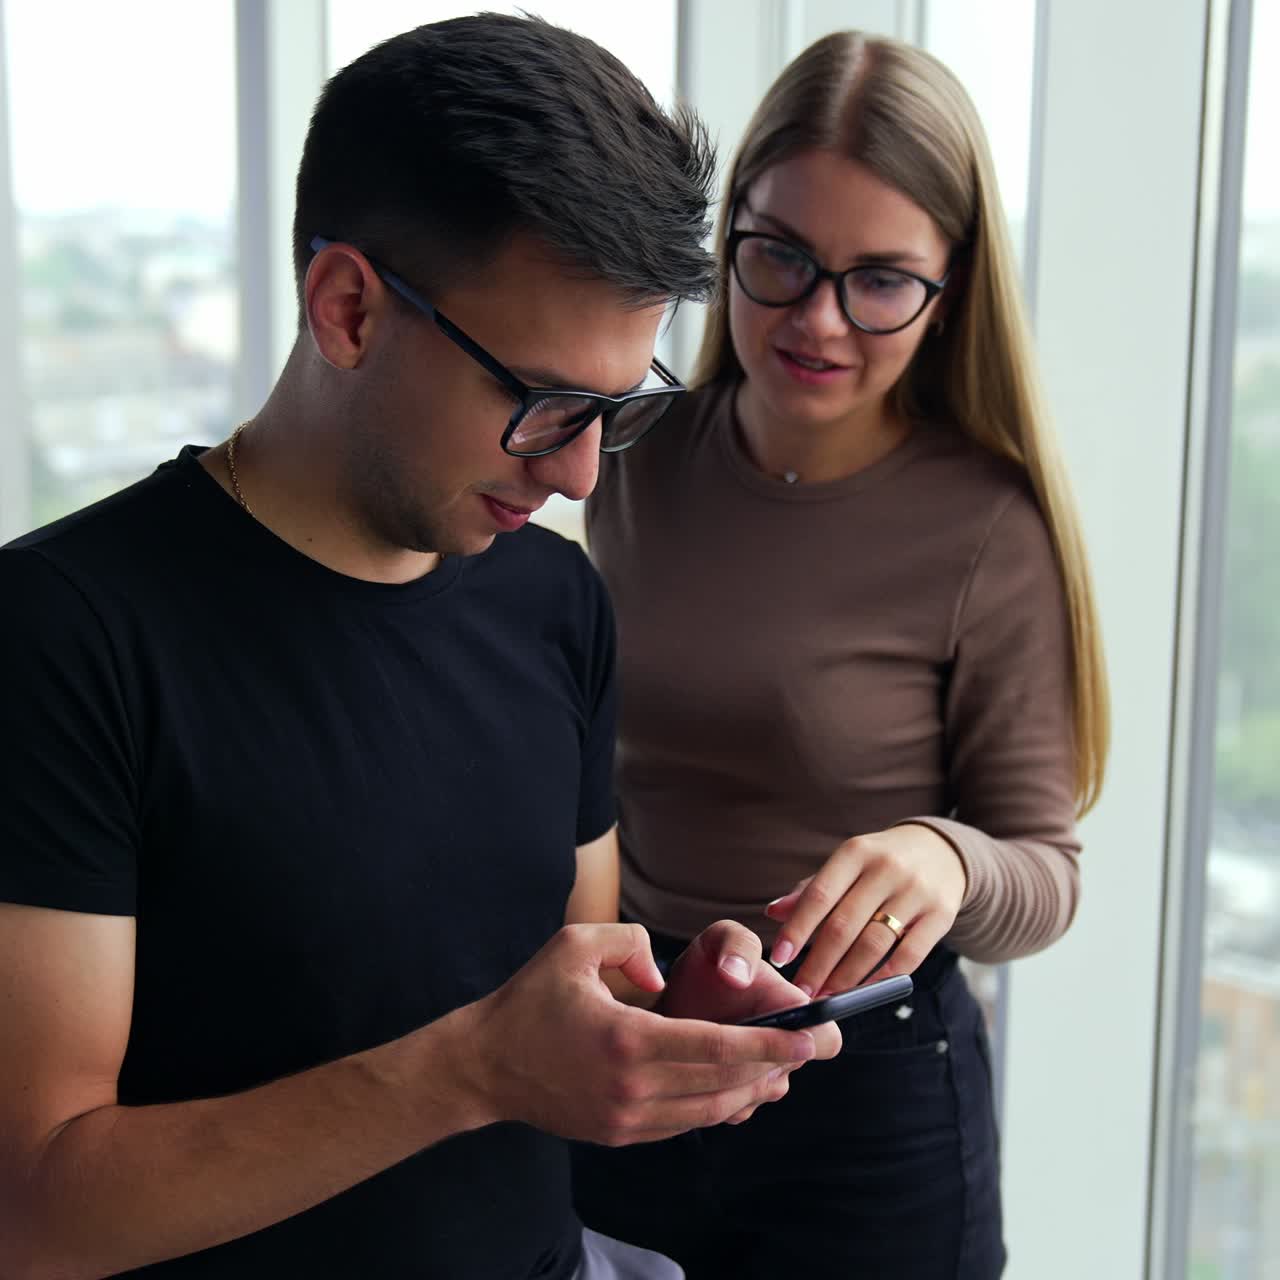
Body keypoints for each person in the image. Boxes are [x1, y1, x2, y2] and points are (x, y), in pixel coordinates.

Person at [0, 17, 841, 1280]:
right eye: (543, 402)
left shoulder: (554, 601)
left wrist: (671, 1019)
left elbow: (568, 995)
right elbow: (32, 1211)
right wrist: (468, 1067)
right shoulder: (62, 634)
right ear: (346, 308)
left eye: (614, 408)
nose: (577, 474)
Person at [572, 29, 1111, 1279]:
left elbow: (1044, 869)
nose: (815, 318)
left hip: (864, 1085)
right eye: (778, 256)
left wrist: (945, 856)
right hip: (640, 1039)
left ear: (950, 288)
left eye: (879, 280)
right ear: (728, 236)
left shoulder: (986, 525)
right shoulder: (631, 454)